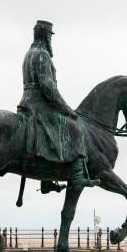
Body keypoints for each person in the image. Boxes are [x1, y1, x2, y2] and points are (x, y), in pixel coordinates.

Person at [17, 20, 99, 190]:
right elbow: (48, 87)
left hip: (28, 102)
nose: (50, 40)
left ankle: (46, 181)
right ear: (46, 36)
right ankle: (78, 176)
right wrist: (67, 109)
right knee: (75, 128)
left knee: (50, 135)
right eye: (50, 36)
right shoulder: (42, 55)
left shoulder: (29, 53)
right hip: (39, 105)